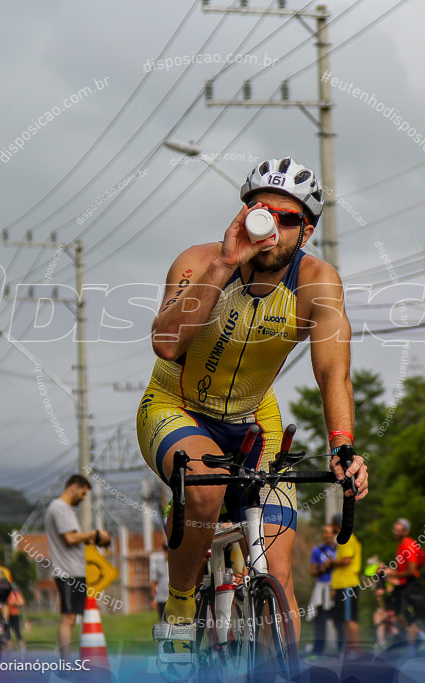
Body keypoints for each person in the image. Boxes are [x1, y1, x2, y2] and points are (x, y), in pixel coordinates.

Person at [136, 157, 369, 661]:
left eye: (286, 220)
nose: (269, 227)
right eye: (260, 211)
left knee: (277, 573)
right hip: (177, 407)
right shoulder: (198, 262)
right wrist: (224, 265)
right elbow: (167, 344)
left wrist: (343, 447)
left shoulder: (318, 281)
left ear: (305, 231)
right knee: (205, 492)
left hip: (253, 418)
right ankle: (178, 613)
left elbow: (334, 371)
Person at [44, 474, 110, 659]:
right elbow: (71, 538)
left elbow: (75, 537)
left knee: (73, 618)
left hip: (75, 571)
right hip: (67, 572)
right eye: (82, 494)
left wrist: (93, 539)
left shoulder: (63, 509)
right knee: (69, 617)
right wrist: (94, 532)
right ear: (73, 487)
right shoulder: (59, 508)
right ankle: (66, 664)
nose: (83, 499)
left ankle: (72, 661)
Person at [388, 518, 425, 657]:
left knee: (411, 615)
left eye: (399, 530)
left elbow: (412, 570)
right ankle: (422, 637)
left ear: (406, 531)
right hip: (403, 583)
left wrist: (395, 574)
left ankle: (417, 643)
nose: (395, 532)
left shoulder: (408, 545)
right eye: (395, 529)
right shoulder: (401, 545)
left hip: (410, 584)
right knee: (397, 614)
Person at [330, 513, 362, 657]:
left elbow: (346, 560)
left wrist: (329, 562)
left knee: (350, 619)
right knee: (344, 619)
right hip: (341, 584)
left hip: (348, 584)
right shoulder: (344, 538)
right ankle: (348, 649)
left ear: (337, 525)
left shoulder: (346, 537)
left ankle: (355, 650)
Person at [308, 524, 338, 655]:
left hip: (337, 587)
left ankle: (342, 649)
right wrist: (323, 567)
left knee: (339, 620)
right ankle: (318, 649)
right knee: (320, 620)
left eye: (330, 532)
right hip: (322, 589)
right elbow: (313, 572)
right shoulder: (317, 551)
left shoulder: (340, 550)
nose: (328, 535)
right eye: (325, 532)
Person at [150, 542, 169, 621]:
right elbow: (154, 582)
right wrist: (153, 599)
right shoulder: (159, 564)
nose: (167, 552)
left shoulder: (177, 563)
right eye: (166, 550)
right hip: (162, 598)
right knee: (163, 620)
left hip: (174, 598)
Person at [6, 587, 25, 651]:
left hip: (14, 614)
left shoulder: (15, 593)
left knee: (17, 630)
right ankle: (9, 647)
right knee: (7, 631)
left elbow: (21, 602)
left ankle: (22, 647)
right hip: (6, 615)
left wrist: (14, 603)